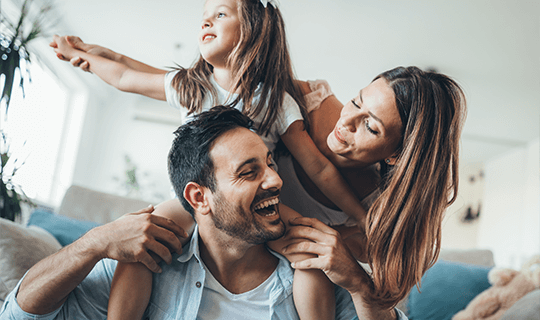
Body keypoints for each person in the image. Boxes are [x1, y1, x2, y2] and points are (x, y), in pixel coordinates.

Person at [49, 0, 367, 318]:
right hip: (192, 199)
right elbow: (123, 76)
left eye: (219, 14)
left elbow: (318, 167)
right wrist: (86, 57)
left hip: (253, 202)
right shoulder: (192, 86)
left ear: (253, 32)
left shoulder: (276, 101)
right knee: (143, 242)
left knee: (309, 249)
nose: (205, 22)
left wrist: (362, 217)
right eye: (203, 17)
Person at [0, 106, 408, 320]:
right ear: (199, 197)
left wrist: (360, 283)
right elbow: (18, 316)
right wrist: (92, 244)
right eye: (249, 172)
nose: (275, 181)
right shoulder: (148, 263)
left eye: (271, 164)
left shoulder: (313, 275)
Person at [271, 66, 467, 308]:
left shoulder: (379, 211)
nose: (346, 123)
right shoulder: (308, 99)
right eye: (356, 102)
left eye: (371, 127)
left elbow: (385, 301)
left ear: (395, 155)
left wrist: (356, 278)